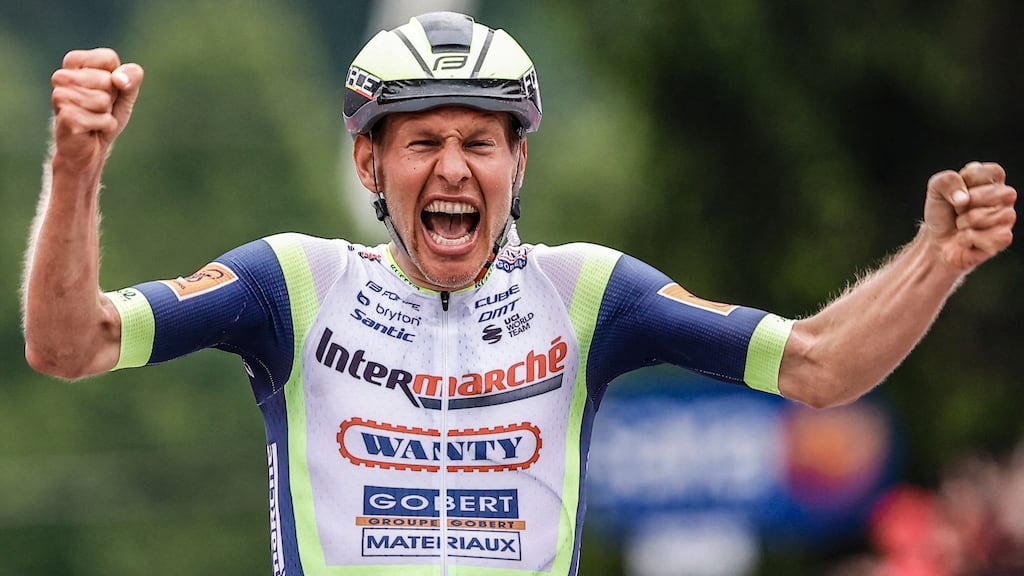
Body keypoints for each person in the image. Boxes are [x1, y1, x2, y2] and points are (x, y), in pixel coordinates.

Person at [21, 10, 1015, 576]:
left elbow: (820, 367)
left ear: (516, 163)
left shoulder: (584, 291)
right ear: (369, 162)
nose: (453, 167)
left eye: (480, 142)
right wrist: (77, 173)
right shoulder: (293, 281)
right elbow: (70, 345)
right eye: (422, 141)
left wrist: (936, 257)